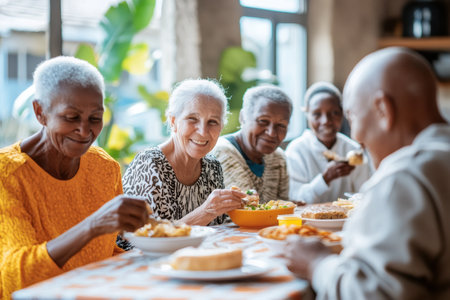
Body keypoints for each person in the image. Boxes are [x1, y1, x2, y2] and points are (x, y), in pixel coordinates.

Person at [285, 47, 450, 299]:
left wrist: (317, 264)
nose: (357, 137)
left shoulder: (404, 178)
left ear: (383, 110)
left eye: (351, 115)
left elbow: (378, 294)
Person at [0, 57, 149, 299]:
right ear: (40, 112)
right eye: (71, 117)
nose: (84, 131)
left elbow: (103, 254)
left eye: (95, 118)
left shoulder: (104, 167)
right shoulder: (7, 174)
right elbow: (15, 279)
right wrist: (92, 225)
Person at [121, 79, 246, 226]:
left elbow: (217, 228)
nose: (203, 131)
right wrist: (206, 211)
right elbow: (150, 239)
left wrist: (242, 204)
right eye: (192, 119)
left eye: (212, 122)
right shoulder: (150, 164)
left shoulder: (212, 167)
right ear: (173, 121)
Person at [285, 82, 373, 204]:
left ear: (343, 114)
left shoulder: (354, 149)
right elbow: (296, 199)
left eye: (334, 113)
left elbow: (365, 193)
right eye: (317, 114)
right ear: (307, 115)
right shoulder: (296, 150)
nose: (326, 121)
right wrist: (325, 179)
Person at [212, 85, 292, 202]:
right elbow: (248, 208)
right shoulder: (222, 152)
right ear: (243, 117)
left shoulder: (278, 158)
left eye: (281, 125)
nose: (271, 133)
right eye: (263, 121)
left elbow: (284, 208)